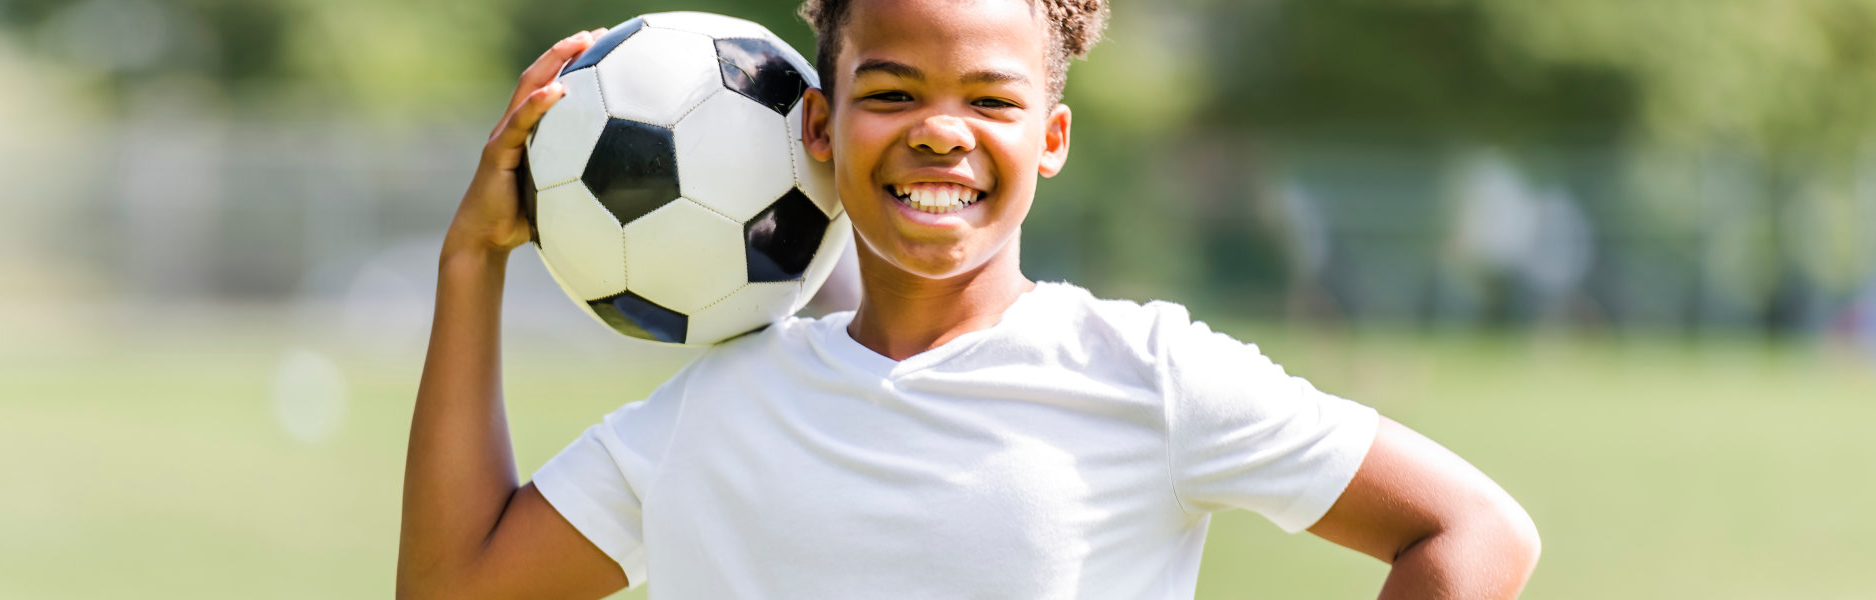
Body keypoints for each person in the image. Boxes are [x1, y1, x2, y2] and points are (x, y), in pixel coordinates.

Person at [397, 0, 1542, 597]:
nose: (940, 128)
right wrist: (471, 262)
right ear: (819, 126)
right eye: (891, 90)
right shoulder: (720, 410)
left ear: (1049, 139)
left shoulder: (1144, 376)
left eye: (989, 100)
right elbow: (455, 591)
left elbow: (1474, 534)